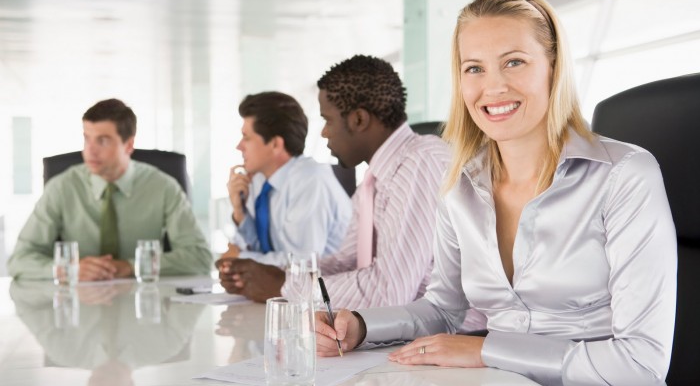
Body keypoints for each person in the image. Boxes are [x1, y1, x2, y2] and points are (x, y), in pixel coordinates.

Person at [315, 0, 677, 386]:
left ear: (554, 68)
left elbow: (642, 363)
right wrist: (362, 325)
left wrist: (488, 350)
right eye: (474, 68)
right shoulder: (460, 186)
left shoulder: (624, 175)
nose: (493, 87)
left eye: (514, 62)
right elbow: (443, 309)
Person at [219, 55, 452, 310]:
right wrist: (273, 275)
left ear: (358, 120)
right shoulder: (374, 182)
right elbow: (344, 262)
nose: (323, 132)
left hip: (459, 337)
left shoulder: (419, 162)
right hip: (405, 333)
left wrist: (284, 286)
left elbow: (388, 291)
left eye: (328, 120)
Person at [8, 98, 213, 281]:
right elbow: (19, 260)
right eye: (87, 138)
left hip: (145, 305)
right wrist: (68, 269)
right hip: (80, 310)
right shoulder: (62, 187)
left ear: (128, 145)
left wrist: (130, 266)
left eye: (103, 141)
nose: (90, 150)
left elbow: (200, 257)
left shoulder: (163, 186)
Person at [219, 91, 351, 267]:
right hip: (285, 291)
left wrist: (241, 258)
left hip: (328, 291)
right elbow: (255, 251)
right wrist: (239, 212)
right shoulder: (258, 181)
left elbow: (302, 263)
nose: (239, 146)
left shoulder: (310, 180)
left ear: (275, 144)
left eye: (246, 137)